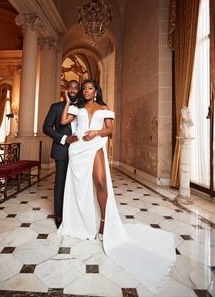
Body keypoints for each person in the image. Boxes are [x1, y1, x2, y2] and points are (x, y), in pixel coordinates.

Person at [59, 78, 176, 293]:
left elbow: (110, 131)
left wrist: (96, 132)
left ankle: (104, 220)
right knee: (81, 187)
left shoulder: (105, 109)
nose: (86, 91)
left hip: (95, 145)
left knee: (101, 182)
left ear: (96, 91)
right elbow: (65, 120)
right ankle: (82, 219)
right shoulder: (78, 107)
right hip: (78, 150)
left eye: (89, 88)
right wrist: (67, 100)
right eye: (84, 88)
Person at [43, 80, 79, 228]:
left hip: (80, 151)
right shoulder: (56, 107)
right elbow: (46, 128)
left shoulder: (82, 107)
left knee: (78, 182)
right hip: (62, 149)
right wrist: (65, 139)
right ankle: (59, 214)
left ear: (79, 90)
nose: (73, 89)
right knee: (61, 182)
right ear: (66, 89)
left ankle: (75, 213)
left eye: (76, 87)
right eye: (70, 87)